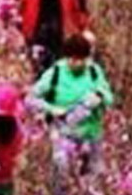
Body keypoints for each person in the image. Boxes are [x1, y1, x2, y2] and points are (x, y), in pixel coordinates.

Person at [32, 35, 114, 194]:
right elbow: (32, 98)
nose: (76, 63)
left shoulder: (94, 72)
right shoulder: (55, 73)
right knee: (61, 167)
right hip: (63, 134)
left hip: (91, 134)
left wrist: (99, 97)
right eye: (72, 58)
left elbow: (109, 98)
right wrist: (52, 109)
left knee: (94, 177)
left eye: (80, 59)